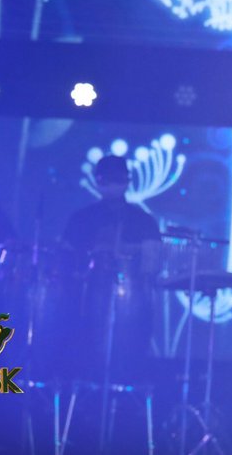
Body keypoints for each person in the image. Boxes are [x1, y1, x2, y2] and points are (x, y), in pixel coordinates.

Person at [59, 154, 162, 385]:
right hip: (86, 302)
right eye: (108, 179)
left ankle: (124, 386)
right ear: (98, 181)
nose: (113, 184)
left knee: (128, 353)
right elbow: (66, 260)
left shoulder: (143, 221)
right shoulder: (81, 219)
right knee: (89, 352)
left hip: (132, 302)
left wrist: (126, 251)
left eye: (118, 178)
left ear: (127, 181)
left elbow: (152, 265)